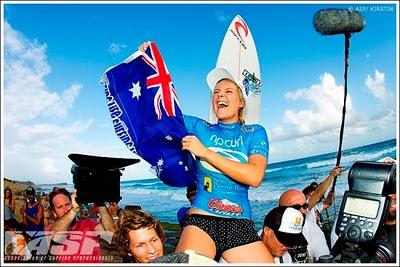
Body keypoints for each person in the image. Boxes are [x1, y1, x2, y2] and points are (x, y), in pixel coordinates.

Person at [138, 41, 273, 263]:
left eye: (229, 91)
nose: (220, 95)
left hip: (240, 224)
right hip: (202, 220)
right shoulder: (200, 127)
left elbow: (254, 176)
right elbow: (158, 117)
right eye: (216, 92)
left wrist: (205, 152)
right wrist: (148, 68)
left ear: (241, 102)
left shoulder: (254, 133)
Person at [279, 165, 342, 262]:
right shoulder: (305, 209)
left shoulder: (315, 208)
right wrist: (332, 175)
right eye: (310, 195)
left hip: (317, 235)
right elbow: (318, 194)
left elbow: (327, 204)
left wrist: (329, 196)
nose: (313, 197)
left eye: (304, 206)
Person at [46, 187, 115, 263]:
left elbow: (111, 234)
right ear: (54, 213)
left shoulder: (88, 223)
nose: (65, 210)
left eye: (67, 204)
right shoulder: (50, 229)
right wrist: (74, 210)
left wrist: (100, 202)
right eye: (60, 207)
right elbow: (55, 237)